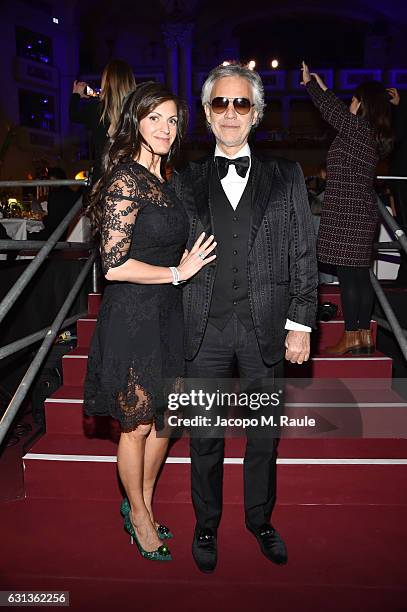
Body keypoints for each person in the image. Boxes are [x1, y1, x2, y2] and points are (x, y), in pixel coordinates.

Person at [171, 63, 318, 572]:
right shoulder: (184, 181)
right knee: (204, 437)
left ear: (256, 114)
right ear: (208, 116)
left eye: (241, 104)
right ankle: (206, 523)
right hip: (203, 330)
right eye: (220, 104)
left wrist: (301, 323)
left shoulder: (286, 175)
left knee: (262, 436)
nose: (230, 114)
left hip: (265, 329)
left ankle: (260, 520)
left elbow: (303, 250)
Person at [83, 82, 216, 562]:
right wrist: (178, 271)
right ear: (136, 121)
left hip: (167, 312)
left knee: (163, 421)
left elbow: (158, 242)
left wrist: (184, 261)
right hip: (134, 315)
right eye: (154, 117)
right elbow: (114, 264)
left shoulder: (166, 179)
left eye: (172, 120)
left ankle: (143, 502)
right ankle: (139, 515)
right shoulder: (125, 178)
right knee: (137, 426)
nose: (164, 128)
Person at [302, 62, 394, 354]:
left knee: (350, 277)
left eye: (354, 99)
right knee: (358, 276)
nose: (349, 103)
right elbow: (339, 110)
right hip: (359, 213)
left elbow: (331, 111)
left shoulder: (357, 129)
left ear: (363, 105)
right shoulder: (367, 134)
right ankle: (361, 334)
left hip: (349, 215)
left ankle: (352, 333)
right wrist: (325, 87)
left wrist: (310, 85)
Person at [69, 59, 136, 186]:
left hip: (103, 178)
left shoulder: (96, 108)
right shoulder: (137, 109)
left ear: (106, 81)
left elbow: (73, 115)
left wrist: (76, 95)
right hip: (131, 177)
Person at [388, 87, 407, 285]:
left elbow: (397, 137)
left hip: (402, 178)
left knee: (404, 227)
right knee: (402, 227)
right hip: (400, 180)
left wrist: (399, 109)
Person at [31, 167, 80, 241]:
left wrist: (43, 218)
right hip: (67, 234)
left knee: (25, 236)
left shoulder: (55, 195)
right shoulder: (71, 193)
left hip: (56, 237)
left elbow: (53, 223)